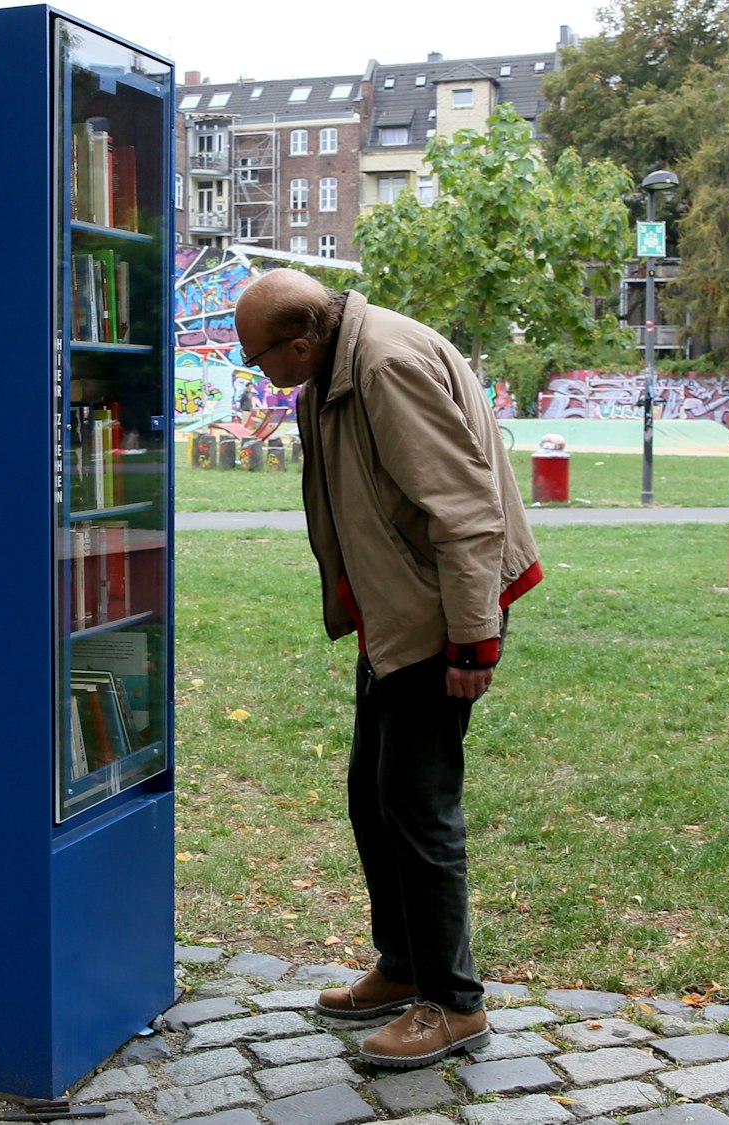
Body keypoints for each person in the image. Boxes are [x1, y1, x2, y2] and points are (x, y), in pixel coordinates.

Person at [234, 271, 542, 1069]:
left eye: (256, 356)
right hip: (401, 607)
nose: (254, 371)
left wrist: (474, 640)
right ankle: (404, 965)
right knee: (374, 792)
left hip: (442, 613)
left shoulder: (384, 366)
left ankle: (453, 1001)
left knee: (417, 802)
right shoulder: (333, 367)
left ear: (300, 342)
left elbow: (466, 509)